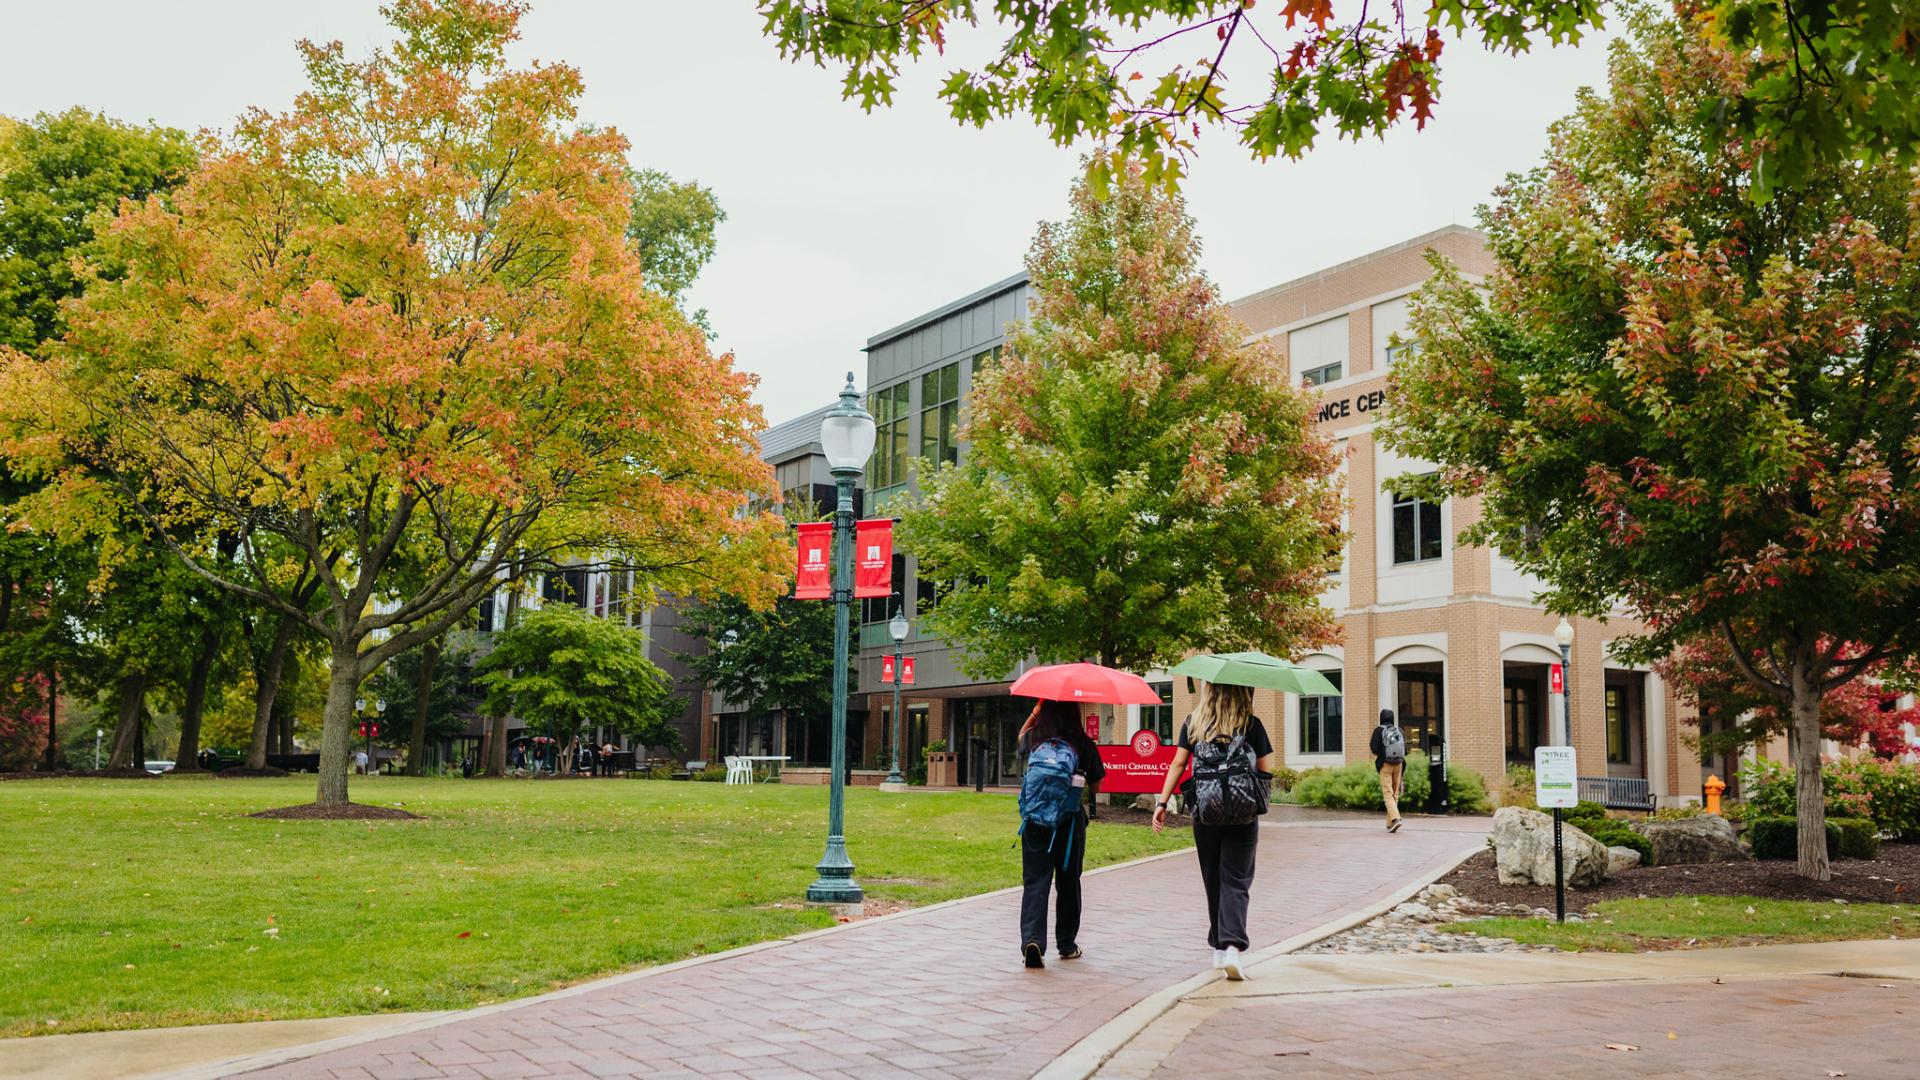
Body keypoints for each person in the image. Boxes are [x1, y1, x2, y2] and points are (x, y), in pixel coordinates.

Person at [1151, 682, 1274, 981]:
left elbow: (1179, 763)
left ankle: (1219, 948)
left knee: (1213, 877)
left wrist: (1163, 802)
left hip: (1205, 813)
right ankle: (1232, 946)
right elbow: (1265, 769)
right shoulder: (1250, 723)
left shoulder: (1194, 723)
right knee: (1237, 879)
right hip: (1243, 815)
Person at [1016, 699, 1104, 970]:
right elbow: (1097, 786)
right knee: (1068, 881)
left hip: (1035, 821)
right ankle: (1066, 944)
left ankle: (1032, 940)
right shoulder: (1082, 743)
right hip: (1069, 821)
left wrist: (1036, 710)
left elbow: (1019, 736)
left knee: (1035, 881)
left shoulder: (1034, 738)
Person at [1370, 708, 1407, 832]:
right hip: (1399, 764)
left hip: (1385, 764)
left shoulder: (1379, 730)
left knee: (1387, 793)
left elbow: (1374, 748)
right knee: (1394, 794)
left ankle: (1396, 819)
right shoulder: (1399, 730)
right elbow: (1405, 750)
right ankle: (1391, 823)